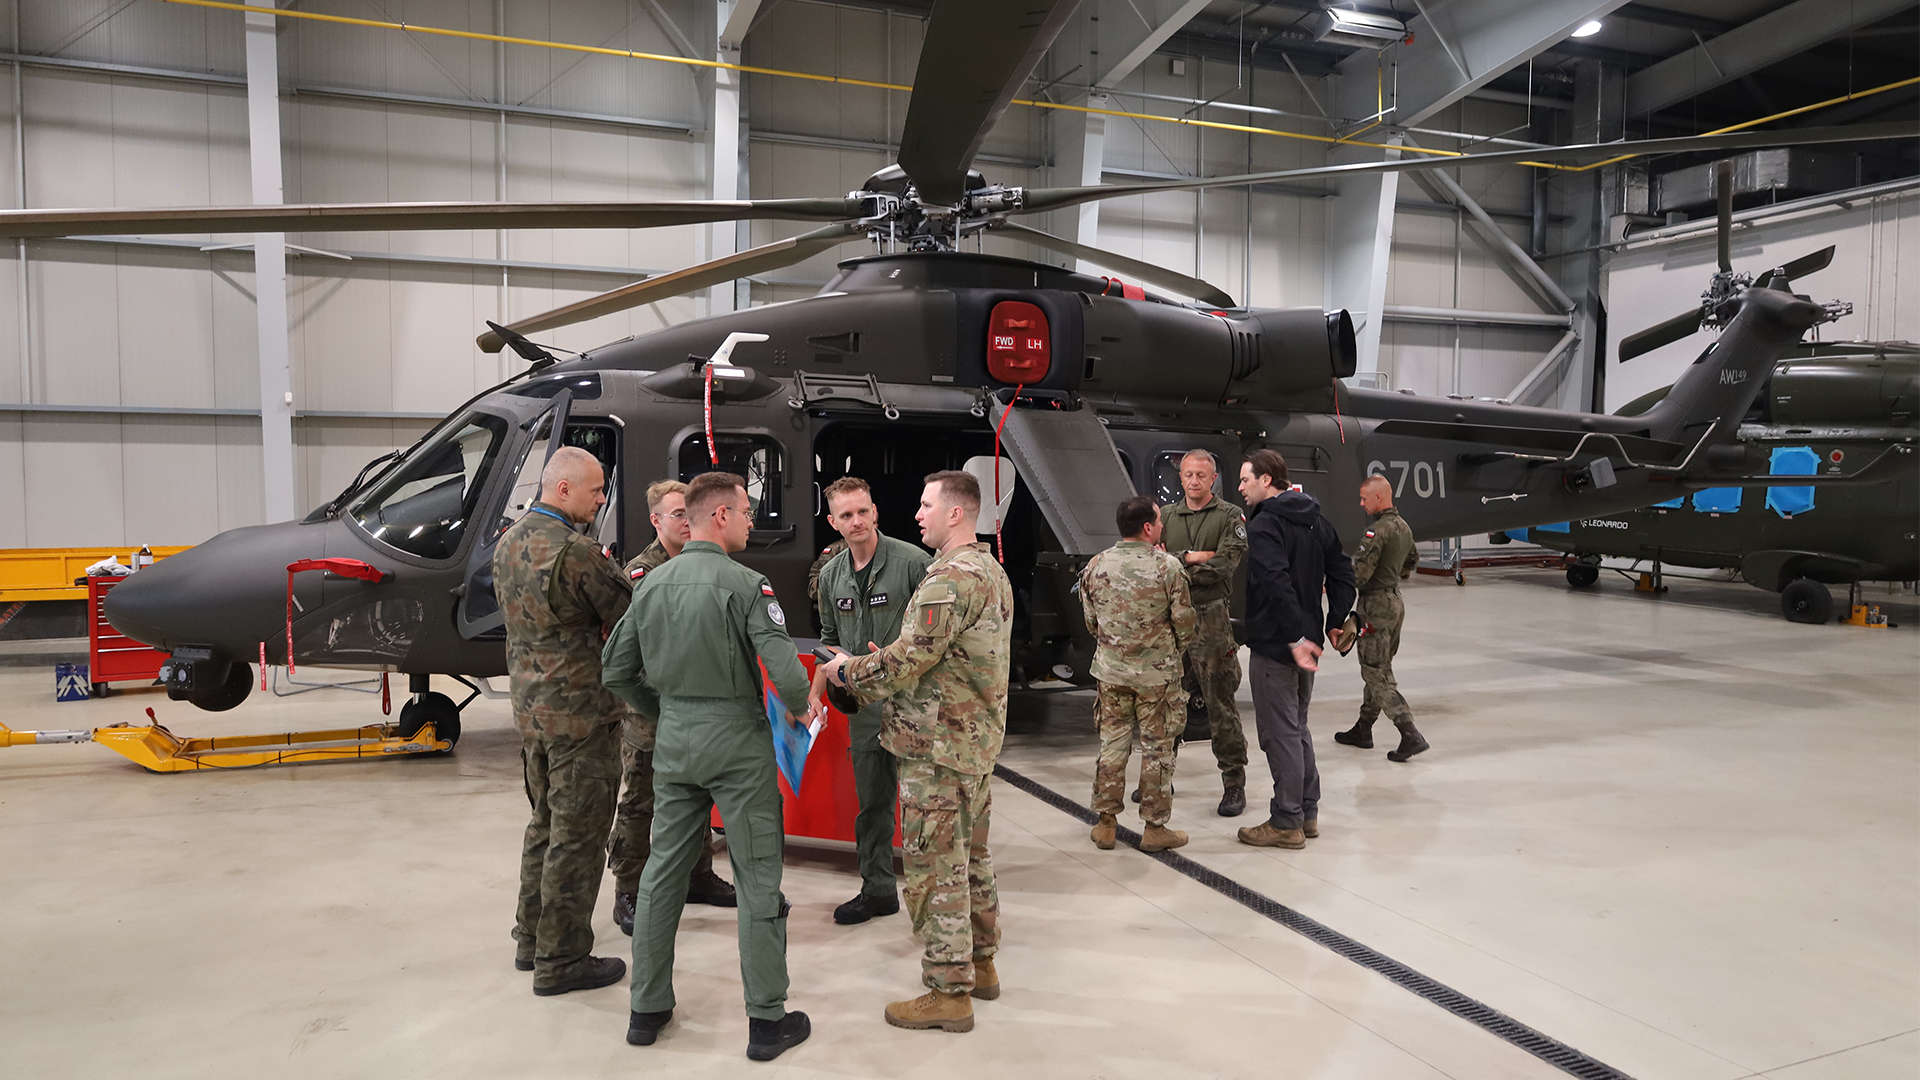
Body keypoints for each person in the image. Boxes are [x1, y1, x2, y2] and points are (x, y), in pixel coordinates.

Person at [600, 472, 813, 1061]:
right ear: (719, 516)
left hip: (675, 743)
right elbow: (789, 675)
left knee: (662, 872)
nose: (751, 521)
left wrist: (664, 711)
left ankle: (647, 1008)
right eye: (746, 511)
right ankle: (768, 1019)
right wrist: (807, 708)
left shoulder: (650, 584)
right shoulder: (747, 585)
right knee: (757, 875)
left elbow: (615, 670)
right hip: (738, 748)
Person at [818, 470, 1012, 1034]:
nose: (917, 513)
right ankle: (981, 964)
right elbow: (950, 657)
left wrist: (846, 671)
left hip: (938, 747)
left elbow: (907, 660)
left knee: (935, 868)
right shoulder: (990, 571)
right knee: (972, 858)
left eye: (927, 505)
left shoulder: (947, 578)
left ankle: (948, 991)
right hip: (972, 741)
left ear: (956, 513)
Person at [494, 446, 629, 996]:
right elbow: (630, 618)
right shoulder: (576, 553)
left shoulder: (507, 544)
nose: (601, 499)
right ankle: (563, 959)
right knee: (578, 837)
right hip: (582, 719)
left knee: (544, 827)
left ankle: (530, 940)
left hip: (532, 714)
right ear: (565, 488)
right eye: (596, 490)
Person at [607, 480, 736, 938]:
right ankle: (628, 888)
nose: (685, 520)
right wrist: (656, 701)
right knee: (641, 800)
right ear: (655, 521)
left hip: (700, 708)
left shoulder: (710, 563)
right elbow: (624, 650)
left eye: (688, 512)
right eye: (675, 514)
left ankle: (699, 875)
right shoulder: (640, 573)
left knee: (697, 794)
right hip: (652, 710)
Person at [807, 477, 933, 925]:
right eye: (846, 515)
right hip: (863, 710)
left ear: (875, 511)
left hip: (914, 707)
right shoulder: (830, 575)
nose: (857, 521)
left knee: (923, 808)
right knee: (873, 807)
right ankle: (878, 889)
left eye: (863, 512)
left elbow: (936, 640)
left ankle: (934, 898)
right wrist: (815, 696)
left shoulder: (915, 563)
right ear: (833, 522)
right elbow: (827, 644)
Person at [1234, 450, 1355, 850]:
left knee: (1279, 732)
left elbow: (1274, 580)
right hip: (1309, 642)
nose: (1240, 488)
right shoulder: (1315, 519)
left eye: (1245, 480)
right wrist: (1334, 620)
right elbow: (1342, 572)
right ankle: (1306, 811)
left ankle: (1286, 820)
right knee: (1297, 727)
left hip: (1279, 644)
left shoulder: (1266, 525)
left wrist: (1294, 637)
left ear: (1266, 480)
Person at [1079, 496, 1196, 853]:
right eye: (1159, 521)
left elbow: (1090, 621)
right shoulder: (1168, 567)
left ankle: (1105, 824)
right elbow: (1185, 622)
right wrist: (1169, 653)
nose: (1162, 526)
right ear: (1148, 527)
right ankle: (1155, 827)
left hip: (1111, 673)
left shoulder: (1096, 565)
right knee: (1158, 749)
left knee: (1112, 744)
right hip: (1156, 678)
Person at [1157, 449, 1251, 817]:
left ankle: (1233, 783)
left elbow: (1226, 564)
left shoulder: (1229, 516)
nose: (1194, 481)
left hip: (1211, 618)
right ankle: (1161, 777)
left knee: (1219, 702)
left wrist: (1176, 562)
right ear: (1180, 478)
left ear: (1213, 479)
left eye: (1201, 475)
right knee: (1166, 701)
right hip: (1171, 619)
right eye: (1187, 475)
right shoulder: (1165, 515)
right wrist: (1194, 556)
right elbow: (1155, 557)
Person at [1334, 475, 1428, 762]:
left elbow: (1359, 575)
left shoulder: (1377, 531)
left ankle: (1409, 732)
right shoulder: (1403, 528)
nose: (1361, 504)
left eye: (1364, 498)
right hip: (1395, 602)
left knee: (1375, 672)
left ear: (1379, 498)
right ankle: (1363, 729)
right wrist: (1391, 575)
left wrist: (1335, 581)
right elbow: (1412, 561)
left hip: (1375, 605)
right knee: (1380, 667)